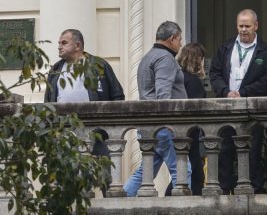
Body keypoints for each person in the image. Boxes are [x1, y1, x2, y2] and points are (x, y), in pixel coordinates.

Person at [44, 28, 125, 197]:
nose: (59, 47)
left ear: (78, 45)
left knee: (107, 179)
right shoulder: (56, 70)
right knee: (66, 180)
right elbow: (48, 103)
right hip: (65, 133)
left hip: (99, 133)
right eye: (59, 43)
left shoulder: (99, 65)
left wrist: (110, 126)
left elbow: (117, 96)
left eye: (64, 43)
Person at [210, 9, 267, 194]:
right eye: (240, 26)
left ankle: (253, 188)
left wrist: (244, 92)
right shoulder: (225, 48)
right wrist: (225, 91)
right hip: (227, 107)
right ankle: (224, 190)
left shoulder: (266, 51)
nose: (244, 30)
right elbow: (214, 73)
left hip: (253, 109)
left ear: (256, 26)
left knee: (252, 151)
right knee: (224, 150)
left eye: (247, 26)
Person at [123, 21, 191, 196]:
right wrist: (168, 122)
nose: (181, 44)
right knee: (183, 172)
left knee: (145, 173)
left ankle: (119, 201)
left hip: (149, 125)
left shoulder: (148, 57)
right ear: (172, 38)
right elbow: (163, 95)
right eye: (180, 39)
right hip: (164, 127)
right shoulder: (165, 59)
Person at [177, 43, 207, 195]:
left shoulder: (179, 77)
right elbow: (197, 110)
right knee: (194, 174)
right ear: (198, 60)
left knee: (185, 173)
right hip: (191, 134)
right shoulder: (194, 81)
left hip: (180, 132)